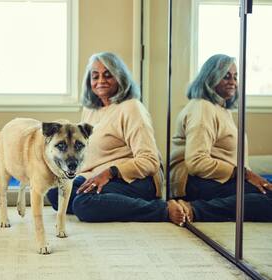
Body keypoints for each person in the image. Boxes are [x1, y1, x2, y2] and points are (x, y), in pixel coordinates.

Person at [46, 52, 186, 225]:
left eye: (108, 75)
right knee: (55, 193)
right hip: (96, 175)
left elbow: (150, 161)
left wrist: (110, 173)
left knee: (84, 204)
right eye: (95, 76)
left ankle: (162, 210)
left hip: (136, 179)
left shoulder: (132, 108)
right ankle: (110, 202)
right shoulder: (91, 109)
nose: (100, 81)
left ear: (119, 77)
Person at [170, 54, 272, 222]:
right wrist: (244, 175)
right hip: (197, 182)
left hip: (221, 180)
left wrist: (249, 177)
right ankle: (193, 209)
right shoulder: (202, 108)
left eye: (235, 76)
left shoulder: (221, 109)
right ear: (210, 78)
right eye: (226, 76)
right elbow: (196, 162)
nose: (232, 81)